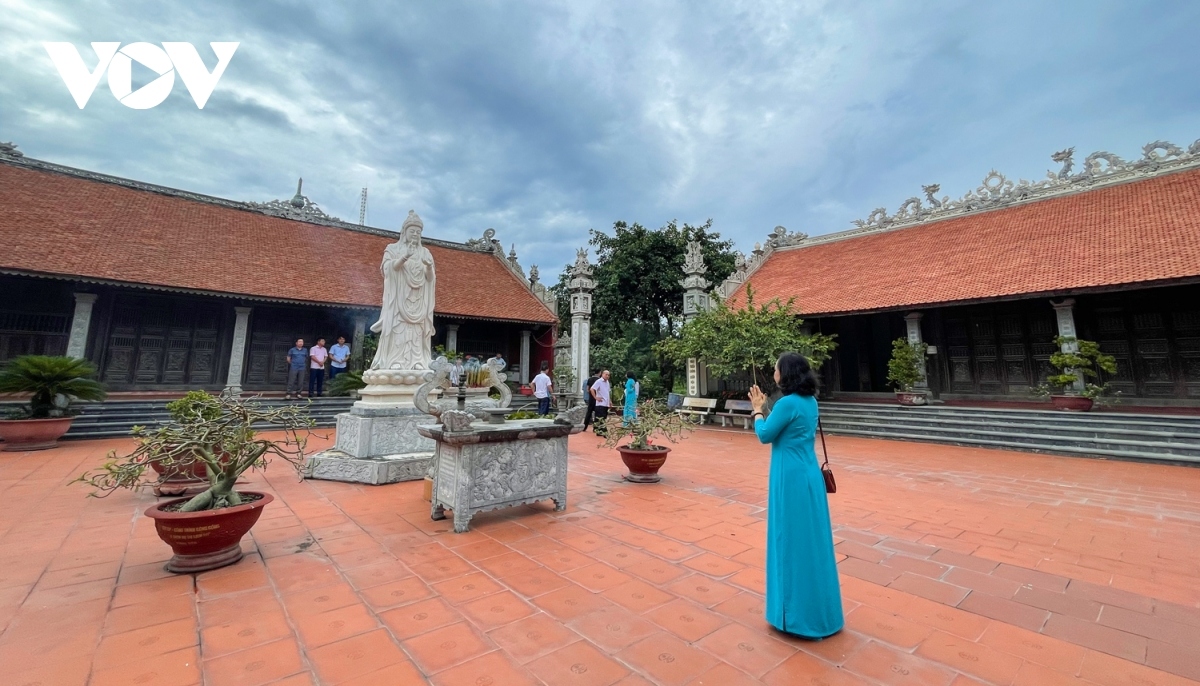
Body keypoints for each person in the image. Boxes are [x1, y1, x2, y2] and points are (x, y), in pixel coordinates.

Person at [748, 352, 844, 639]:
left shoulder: (787, 403)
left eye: (776, 369)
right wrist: (768, 407)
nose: (774, 372)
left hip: (789, 477)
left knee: (789, 540)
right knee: (812, 543)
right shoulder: (810, 401)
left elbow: (765, 434)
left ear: (785, 373)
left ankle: (794, 616)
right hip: (809, 474)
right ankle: (822, 612)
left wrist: (757, 410)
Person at [590, 369, 612, 435]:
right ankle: (604, 432)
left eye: (608, 375)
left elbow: (607, 392)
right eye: (606, 374)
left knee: (602, 417)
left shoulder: (607, 382)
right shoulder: (599, 381)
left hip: (606, 403)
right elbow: (592, 389)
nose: (607, 376)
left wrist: (610, 401)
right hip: (600, 403)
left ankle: (597, 430)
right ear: (602, 374)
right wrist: (595, 397)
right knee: (601, 418)